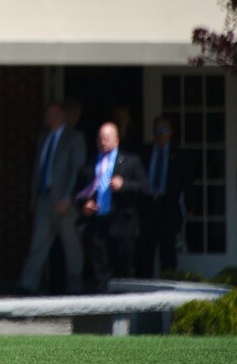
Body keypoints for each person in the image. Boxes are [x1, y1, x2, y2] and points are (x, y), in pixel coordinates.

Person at [16, 102, 86, 295]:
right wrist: (34, 196)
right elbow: (37, 171)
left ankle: (75, 286)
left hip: (64, 202)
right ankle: (27, 285)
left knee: (71, 248)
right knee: (38, 244)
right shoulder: (43, 138)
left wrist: (69, 197)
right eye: (48, 115)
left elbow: (76, 169)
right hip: (44, 200)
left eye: (55, 114)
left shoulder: (74, 138)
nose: (51, 118)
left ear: (63, 115)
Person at [75, 122, 148, 293]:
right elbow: (79, 192)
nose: (103, 141)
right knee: (101, 272)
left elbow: (144, 187)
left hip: (122, 225)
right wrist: (84, 205)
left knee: (124, 272)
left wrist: (124, 185)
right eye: (100, 138)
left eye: (107, 138)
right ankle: (104, 311)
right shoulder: (90, 163)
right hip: (98, 224)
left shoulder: (131, 161)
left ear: (117, 139)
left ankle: (127, 314)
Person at [137, 115, 192, 277]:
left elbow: (187, 182)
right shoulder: (144, 152)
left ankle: (169, 286)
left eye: (164, 130)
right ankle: (143, 288)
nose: (160, 134)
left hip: (168, 207)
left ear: (171, 132)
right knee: (145, 251)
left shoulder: (180, 155)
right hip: (147, 206)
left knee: (168, 251)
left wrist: (190, 207)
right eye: (157, 130)